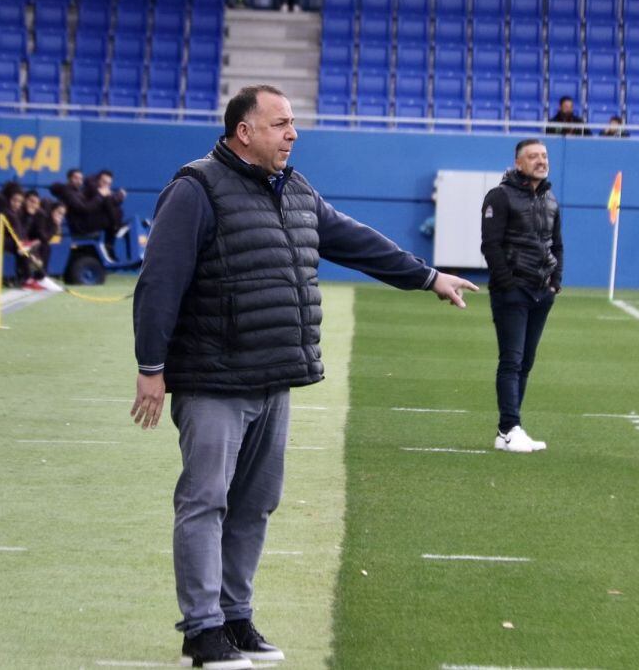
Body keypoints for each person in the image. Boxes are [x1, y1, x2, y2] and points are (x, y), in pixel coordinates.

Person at [129, 85, 477, 669]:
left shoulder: (295, 189)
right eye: (282, 124)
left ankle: (236, 618)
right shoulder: (194, 189)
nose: (293, 134)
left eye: (294, 124)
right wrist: (150, 367)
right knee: (205, 501)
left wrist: (427, 275)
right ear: (245, 130)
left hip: (273, 375)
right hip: (214, 379)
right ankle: (202, 631)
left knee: (255, 504)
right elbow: (159, 283)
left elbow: (354, 241)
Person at [480, 139, 562, 454]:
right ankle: (509, 427)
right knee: (511, 361)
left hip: (543, 292)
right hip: (512, 291)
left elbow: (557, 245)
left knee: (525, 362)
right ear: (519, 163)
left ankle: (509, 431)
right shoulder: (499, 197)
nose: (541, 160)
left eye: (543, 155)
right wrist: (508, 284)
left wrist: (556, 282)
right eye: (533, 156)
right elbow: (491, 245)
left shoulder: (551, 198)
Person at [49, 168, 126, 260]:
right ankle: (116, 230)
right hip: (80, 226)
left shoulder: (79, 191)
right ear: (69, 179)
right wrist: (101, 196)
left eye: (80, 179)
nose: (79, 181)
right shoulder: (69, 193)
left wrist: (115, 197)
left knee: (112, 208)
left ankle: (114, 233)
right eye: (76, 178)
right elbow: (84, 209)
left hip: (84, 222)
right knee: (111, 213)